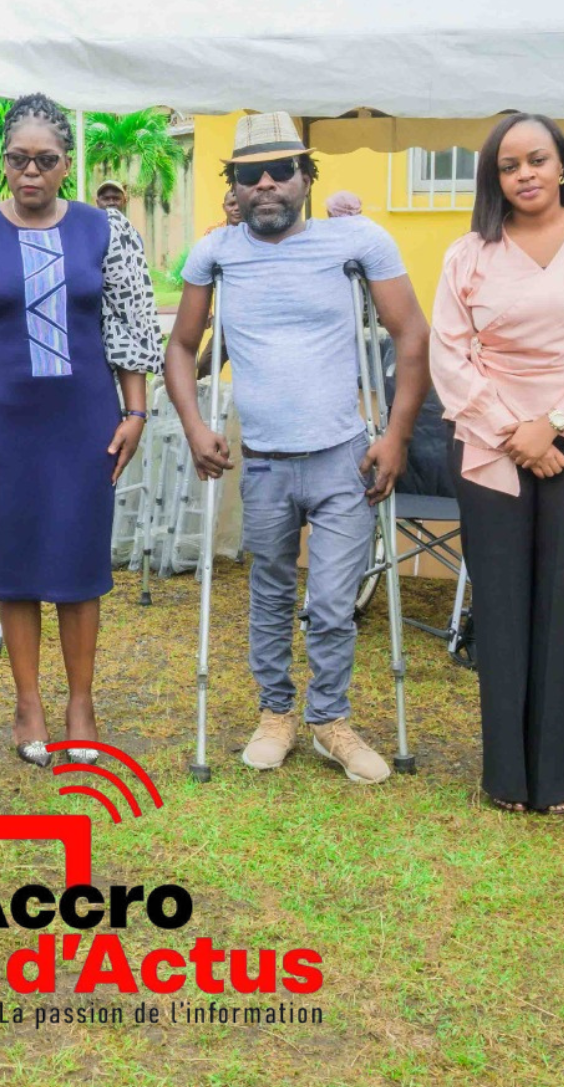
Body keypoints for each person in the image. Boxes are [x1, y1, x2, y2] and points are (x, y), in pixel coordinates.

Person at [164, 112, 429, 781]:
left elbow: (412, 334)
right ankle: (276, 713)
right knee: (272, 592)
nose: (268, 184)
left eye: (282, 171)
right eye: (252, 175)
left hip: (345, 456)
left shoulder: (356, 241)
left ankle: (329, 719)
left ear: (307, 179)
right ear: (237, 186)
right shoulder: (216, 252)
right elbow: (181, 347)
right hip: (266, 463)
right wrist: (197, 426)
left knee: (336, 601)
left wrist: (396, 434)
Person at [0, 93, 162, 768]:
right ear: (2, 162)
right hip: (3, 425)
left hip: (87, 422)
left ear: (66, 164)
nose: (30, 172)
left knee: (81, 562)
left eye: (45, 161)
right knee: (16, 564)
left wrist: (134, 413)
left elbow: (133, 326)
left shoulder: (105, 230)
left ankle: (81, 704)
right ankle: (29, 703)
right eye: (18, 159)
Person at [430, 113, 564, 814]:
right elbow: (449, 356)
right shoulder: (467, 254)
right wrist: (509, 429)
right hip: (492, 445)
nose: (524, 174)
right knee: (502, 602)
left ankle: (556, 778)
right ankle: (505, 778)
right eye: (508, 165)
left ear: (562, 167)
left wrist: (550, 423)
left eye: (537, 160)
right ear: (495, 178)